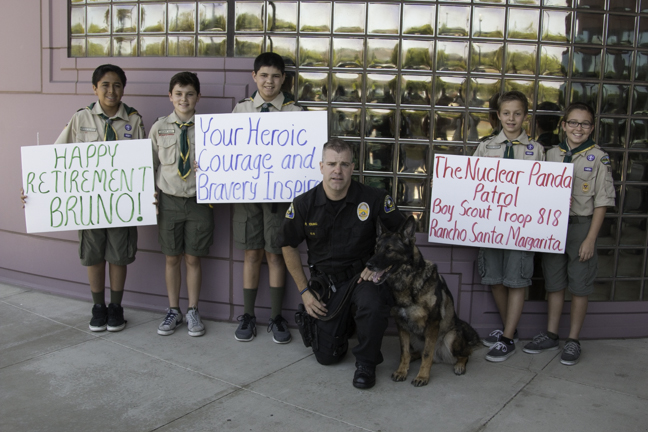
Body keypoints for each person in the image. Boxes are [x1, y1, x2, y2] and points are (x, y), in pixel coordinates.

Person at [279, 138, 405, 389]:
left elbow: (402, 234)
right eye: (332, 163)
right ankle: (344, 326)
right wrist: (305, 291)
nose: (338, 170)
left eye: (344, 164)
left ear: (353, 167)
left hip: (362, 277)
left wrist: (381, 266)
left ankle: (367, 364)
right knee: (327, 358)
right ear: (321, 166)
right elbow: (288, 245)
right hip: (327, 285)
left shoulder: (374, 198)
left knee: (373, 301)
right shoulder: (304, 204)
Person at [46, 64, 145, 332]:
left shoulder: (134, 121)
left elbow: (145, 164)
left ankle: (116, 307)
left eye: (117, 85)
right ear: (94, 88)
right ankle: (98, 306)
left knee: (119, 255)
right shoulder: (81, 119)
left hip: (122, 203)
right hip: (89, 204)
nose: (111, 90)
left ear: (123, 89)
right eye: (105, 85)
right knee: (93, 255)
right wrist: (35, 189)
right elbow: (55, 158)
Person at [523, 102, 615, 365]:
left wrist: (590, 239)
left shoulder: (598, 157)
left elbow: (601, 202)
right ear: (563, 125)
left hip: (581, 226)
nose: (578, 128)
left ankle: (573, 340)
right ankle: (552, 334)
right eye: (573, 122)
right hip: (553, 226)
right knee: (554, 282)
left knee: (579, 285)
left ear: (592, 127)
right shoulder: (550, 154)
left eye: (585, 123)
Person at [231, 52, 302, 344]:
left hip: (279, 197)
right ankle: (248, 314)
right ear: (254, 76)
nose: (269, 81)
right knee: (251, 252)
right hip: (248, 196)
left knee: (275, 253)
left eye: (275, 76)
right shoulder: (241, 110)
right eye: (264, 75)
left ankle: (275, 316)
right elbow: (229, 151)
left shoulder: (295, 112)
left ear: (283, 79)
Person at [473, 90, 545, 362]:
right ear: (498, 116)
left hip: (522, 229)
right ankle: (510, 332)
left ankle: (507, 338)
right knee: (494, 280)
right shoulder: (486, 146)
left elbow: (546, 191)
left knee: (516, 281)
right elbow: (473, 186)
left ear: (525, 116)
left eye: (517, 113)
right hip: (491, 227)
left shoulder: (536, 150)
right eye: (506, 113)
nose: (511, 118)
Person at [150, 71, 214, 337]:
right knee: (171, 258)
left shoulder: (210, 128)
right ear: (170, 96)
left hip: (199, 202)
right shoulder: (159, 127)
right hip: (169, 200)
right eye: (178, 94)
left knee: (193, 258)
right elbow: (149, 165)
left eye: (189, 94)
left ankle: (193, 309)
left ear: (198, 96)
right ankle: (173, 309)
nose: (184, 99)